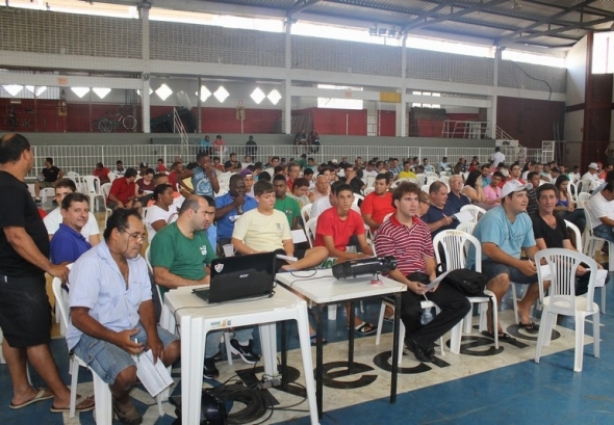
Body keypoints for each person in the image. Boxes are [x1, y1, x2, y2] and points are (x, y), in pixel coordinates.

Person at [0, 133, 94, 413]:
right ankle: (63, 395)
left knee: (14, 334)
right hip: (18, 277)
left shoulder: (7, 185)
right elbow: (16, 235)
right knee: (36, 338)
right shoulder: (10, 188)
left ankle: (22, 390)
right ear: (26, 154)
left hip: (10, 275)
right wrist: (49, 266)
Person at [68, 209, 179, 423]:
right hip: (92, 332)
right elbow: (79, 317)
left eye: (142, 236)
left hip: (129, 324)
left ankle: (123, 381)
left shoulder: (137, 262)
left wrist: (153, 334)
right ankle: (120, 396)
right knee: (126, 373)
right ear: (115, 234)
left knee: (173, 348)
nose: (140, 242)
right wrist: (115, 338)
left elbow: (145, 301)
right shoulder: (91, 264)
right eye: (135, 235)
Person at [152, 196, 258, 377]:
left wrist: (231, 274)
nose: (210, 218)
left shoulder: (200, 234)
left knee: (251, 295)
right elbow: (160, 277)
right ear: (189, 212)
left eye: (211, 213)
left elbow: (214, 263)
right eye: (206, 213)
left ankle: (241, 341)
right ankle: (205, 355)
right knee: (217, 309)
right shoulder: (166, 237)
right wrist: (199, 284)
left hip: (203, 287)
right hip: (179, 295)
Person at [374, 182, 470, 362]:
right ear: (396, 203)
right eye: (407, 199)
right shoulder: (385, 231)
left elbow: (428, 257)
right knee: (410, 310)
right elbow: (389, 267)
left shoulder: (422, 227)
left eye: (416, 199)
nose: (413, 204)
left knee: (461, 304)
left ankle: (418, 339)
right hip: (399, 281)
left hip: (423, 276)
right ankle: (420, 340)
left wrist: (433, 277)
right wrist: (409, 284)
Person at [467, 180, 540, 338]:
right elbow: (490, 250)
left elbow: (531, 248)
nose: (525, 199)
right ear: (508, 199)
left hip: (510, 263)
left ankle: (524, 307)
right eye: (520, 196)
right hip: (482, 264)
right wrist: (519, 264)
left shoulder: (525, 218)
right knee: (502, 275)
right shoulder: (493, 217)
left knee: (545, 274)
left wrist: (544, 261)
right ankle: (491, 316)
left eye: (526, 195)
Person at [314, 183, 376, 335]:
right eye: (342, 197)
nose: (346, 201)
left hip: (343, 256)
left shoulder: (355, 216)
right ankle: (350, 316)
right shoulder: (326, 216)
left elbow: (363, 244)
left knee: (375, 265)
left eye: (349, 197)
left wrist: (373, 255)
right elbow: (331, 250)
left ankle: (386, 308)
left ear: (353, 198)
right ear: (335, 199)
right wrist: (357, 256)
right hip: (322, 258)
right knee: (349, 266)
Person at [231, 181, 328, 270]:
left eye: (273, 196)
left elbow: (287, 241)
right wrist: (255, 253)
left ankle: (291, 267)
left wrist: (289, 255)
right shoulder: (247, 217)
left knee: (322, 250)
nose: (272, 200)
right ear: (257, 198)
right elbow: (235, 242)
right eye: (267, 197)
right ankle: (293, 268)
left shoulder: (280, 215)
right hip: (262, 256)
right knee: (270, 261)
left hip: (281, 254)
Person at [531, 184, 603, 295]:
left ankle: (570, 298)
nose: (548, 201)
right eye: (544, 197)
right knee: (570, 280)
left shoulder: (559, 218)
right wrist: (572, 266)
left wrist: (588, 260)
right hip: (548, 261)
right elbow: (545, 252)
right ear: (538, 200)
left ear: (556, 199)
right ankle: (563, 304)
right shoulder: (534, 220)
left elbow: (568, 246)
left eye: (551, 197)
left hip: (564, 258)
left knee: (600, 273)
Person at [44, 178, 101, 246]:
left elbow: (96, 246)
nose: (62, 199)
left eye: (66, 194)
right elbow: (55, 248)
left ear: (75, 193)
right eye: (58, 195)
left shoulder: (88, 216)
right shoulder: (50, 220)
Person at [215, 174, 258, 247]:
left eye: (243, 187)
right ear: (230, 187)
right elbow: (214, 215)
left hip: (248, 238)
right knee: (229, 256)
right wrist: (234, 204)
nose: (241, 190)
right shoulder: (220, 200)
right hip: (227, 239)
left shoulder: (252, 201)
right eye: (238, 188)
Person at [50, 193, 92, 265]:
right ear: (64, 213)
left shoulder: (72, 236)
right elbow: (66, 271)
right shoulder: (63, 238)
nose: (83, 215)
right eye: (77, 210)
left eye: (86, 210)